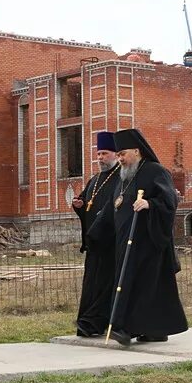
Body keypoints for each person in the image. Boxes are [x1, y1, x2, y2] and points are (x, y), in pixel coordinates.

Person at [101, 128, 188, 345]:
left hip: (149, 241)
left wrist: (150, 203)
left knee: (143, 285)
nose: (120, 159)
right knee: (131, 282)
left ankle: (126, 328)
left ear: (137, 151)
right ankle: (153, 330)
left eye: (123, 154)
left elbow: (170, 201)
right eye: (118, 155)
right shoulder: (124, 176)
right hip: (126, 241)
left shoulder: (155, 171)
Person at [71, 132, 121, 337]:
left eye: (105, 153)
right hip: (94, 243)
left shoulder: (121, 177)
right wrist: (79, 205)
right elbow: (86, 203)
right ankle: (88, 321)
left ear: (116, 155)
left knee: (105, 284)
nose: (100, 157)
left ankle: (95, 322)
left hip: (110, 242)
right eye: (98, 153)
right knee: (91, 283)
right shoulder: (94, 179)